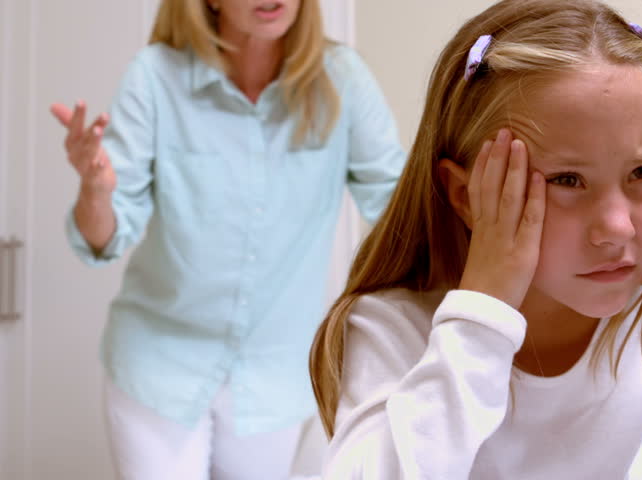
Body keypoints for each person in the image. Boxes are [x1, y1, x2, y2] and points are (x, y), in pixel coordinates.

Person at [308, 0, 642, 478]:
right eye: (566, 180)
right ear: (467, 197)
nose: (617, 227)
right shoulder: (393, 330)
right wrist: (483, 315)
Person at [49, 0, 405, 478]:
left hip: (274, 380)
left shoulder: (341, 79)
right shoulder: (156, 77)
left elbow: (398, 206)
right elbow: (104, 237)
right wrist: (95, 190)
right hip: (158, 367)